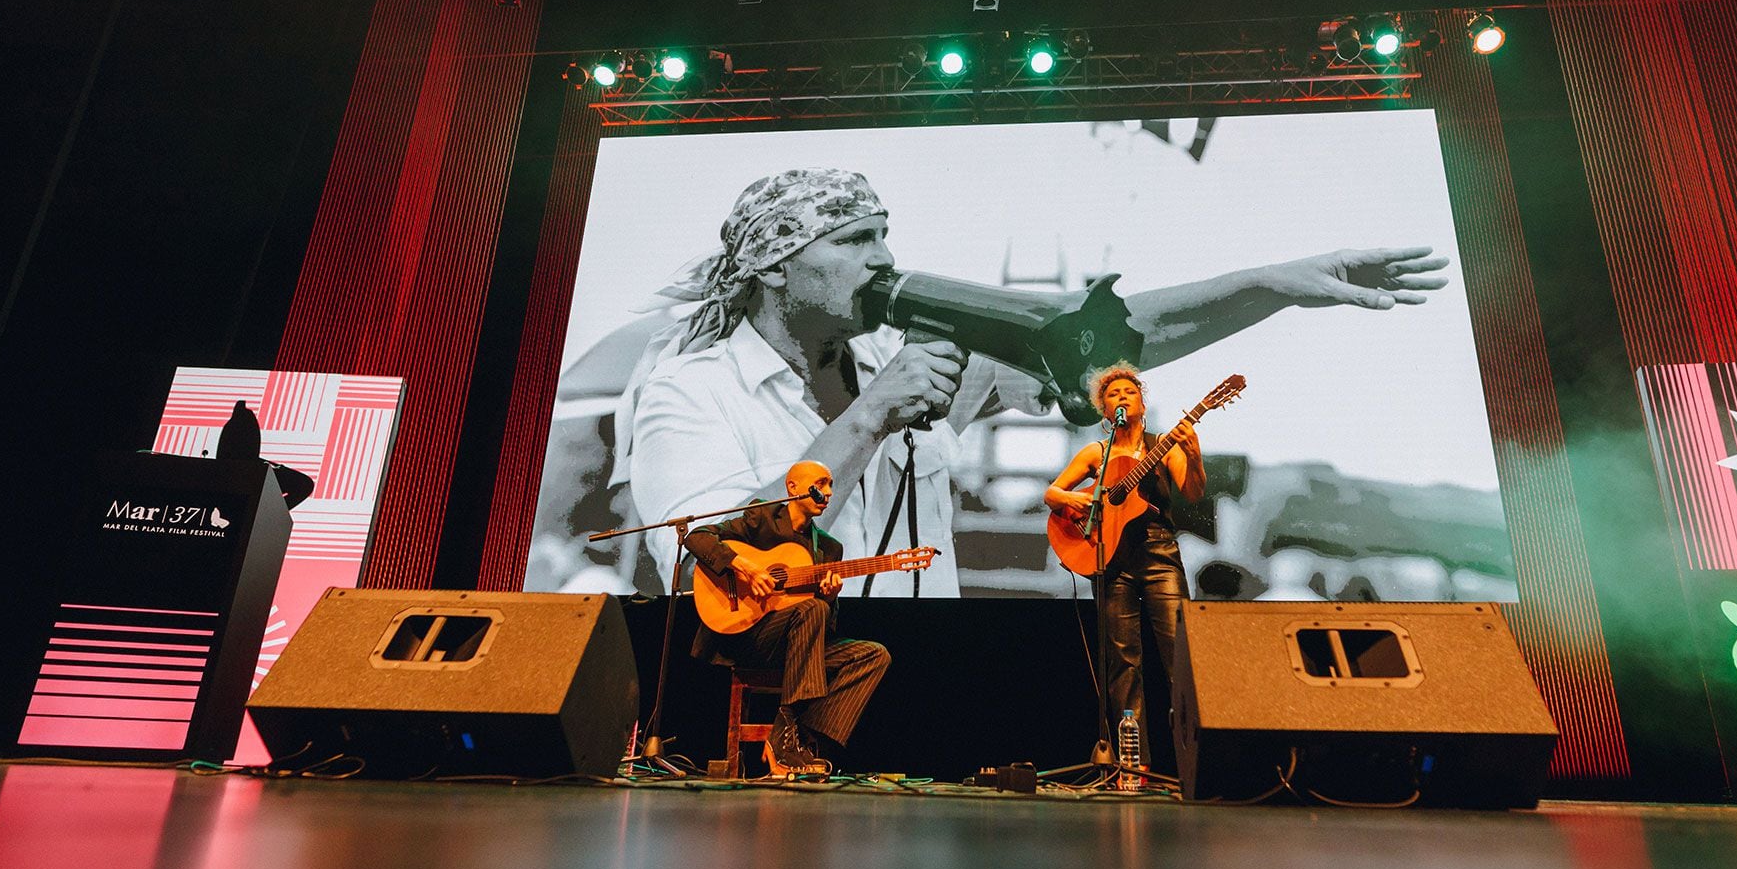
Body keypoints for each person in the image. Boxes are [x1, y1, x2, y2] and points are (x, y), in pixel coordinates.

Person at [619, 166, 1448, 596]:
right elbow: (722, 570)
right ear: (775, 264)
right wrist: (869, 418)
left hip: (916, 705)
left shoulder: (896, 364)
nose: (883, 258)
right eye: (854, 239)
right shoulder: (688, 395)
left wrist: (1271, 283)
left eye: (884, 234)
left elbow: (1104, 342)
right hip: (762, 729)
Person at [683, 460, 889, 776]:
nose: (829, 492)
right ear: (793, 487)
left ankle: (799, 736)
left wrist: (830, 598)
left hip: (797, 649)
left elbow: (824, 626)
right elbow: (698, 537)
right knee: (813, 610)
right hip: (747, 636)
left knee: (874, 655)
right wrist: (746, 568)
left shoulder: (829, 548)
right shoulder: (760, 518)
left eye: (831, 485)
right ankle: (788, 735)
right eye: (821, 484)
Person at [1044, 365, 1201, 764]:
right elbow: (1052, 492)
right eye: (1113, 394)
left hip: (1159, 555)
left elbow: (1193, 492)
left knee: (1179, 656)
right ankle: (1134, 765)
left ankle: (1194, 761)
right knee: (1123, 664)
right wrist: (1074, 500)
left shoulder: (1162, 444)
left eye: (1129, 392)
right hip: (1110, 560)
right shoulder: (1097, 452)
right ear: (1104, 408)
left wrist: (1194, 450)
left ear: (1142, 403)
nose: (1122, 397)